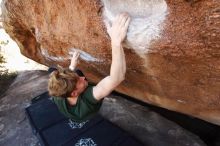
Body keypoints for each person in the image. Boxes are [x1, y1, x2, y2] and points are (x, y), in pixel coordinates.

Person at [48, 13, 131, 122]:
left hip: (68, 104)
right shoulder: (86, 101)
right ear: (74, 93)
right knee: (83, 77)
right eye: (79, 81)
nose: (82, 78)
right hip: (81, 116)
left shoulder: (58, 93)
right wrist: (116, 41)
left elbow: (64, 82)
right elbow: (116, 78)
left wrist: (72, 66)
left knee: (69, 71)